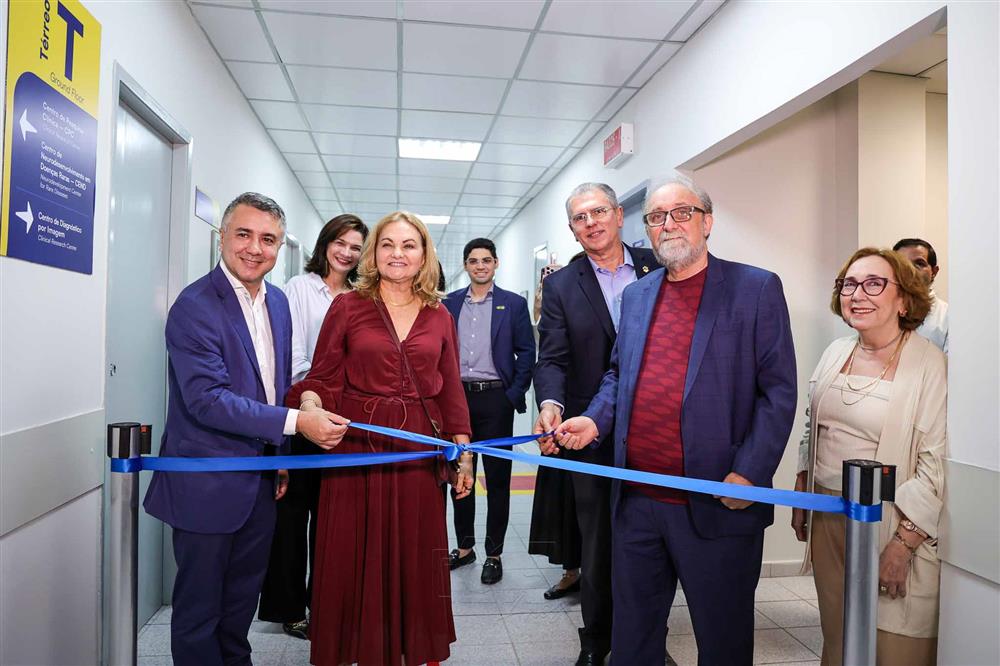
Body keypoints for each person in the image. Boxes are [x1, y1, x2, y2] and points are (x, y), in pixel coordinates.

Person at [556, 175, 798, 665]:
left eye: (681, 213)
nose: (668, 224)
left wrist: (750, 473)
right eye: (656, 217)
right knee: (634, 642)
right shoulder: (638, 296)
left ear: (707, 222)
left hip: (717, 498)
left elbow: (778, 392)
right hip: (638, 501)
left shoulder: (755, 288)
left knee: (723, 641)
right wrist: (595, 421)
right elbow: (619, 374)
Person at [143, 192, 348, 665]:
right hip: (207, 483)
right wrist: (298, 423)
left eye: (268, 239)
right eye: (244, 234)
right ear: (222, 237)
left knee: (238, 610)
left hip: (261, 483)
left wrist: (280, 462)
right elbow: (207, 400)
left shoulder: (278, 303)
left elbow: (274, 387)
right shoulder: (194, 305)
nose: (255, 248)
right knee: (199, 615)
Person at [286, 211, 474, 666]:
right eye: (387, 244)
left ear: (424, 255)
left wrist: (464, 453)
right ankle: (359, 649)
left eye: (409, 245)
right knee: (352, 553)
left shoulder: (440, 315)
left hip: (418, 451)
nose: (397, 254)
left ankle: (410, 649)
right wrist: (309, 405)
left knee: (414, 553)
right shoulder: (348, 307)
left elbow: (450, 388)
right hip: (358, 449)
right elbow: (323, 376)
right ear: (373, 253)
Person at [791, 247, 946, 666]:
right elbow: (812, 426)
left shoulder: (930, 365)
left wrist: (903, 544)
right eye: (849, 285)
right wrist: (803, 485)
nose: (857, 295)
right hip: (829, 514)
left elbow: (936, 465)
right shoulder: (836, 351)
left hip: (892, 520)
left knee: (893, 641)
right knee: (840, 635)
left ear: (904, 300)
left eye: (874, 284)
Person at [533, 182, 659, 666]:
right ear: (572, 229)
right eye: (580, 217)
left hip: (656, 430)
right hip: (589, 433)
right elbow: (553, 358)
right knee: (598, 543)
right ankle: (596, 640)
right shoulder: (562, 285)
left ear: (620, 215)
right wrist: (550, 403)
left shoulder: (658, 265)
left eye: (599, 212)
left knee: (651, 540)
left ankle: (644, 640)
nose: (592, 223)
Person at [258, 214, 368, 639]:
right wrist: (323, 392)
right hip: (303, 417)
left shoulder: (362, 296)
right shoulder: (298, 290)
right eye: (340, 243)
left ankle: (326, 604)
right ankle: (290, 610)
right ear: (325, 244)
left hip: (345, 426)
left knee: (333, 521)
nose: (347, 253)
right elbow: (294, 359)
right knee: (292, 518)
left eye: (356, 247)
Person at [443, 238, 536, 584]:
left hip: (496, 400)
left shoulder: (513, 304)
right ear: (465, 265)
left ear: (496, 263)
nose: (480, 266)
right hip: (458, 400)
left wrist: (512, 395)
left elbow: (527, 353)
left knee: (497, 480)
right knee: (460, 476)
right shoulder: (449, 304)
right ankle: (465, 548)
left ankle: (494, 554)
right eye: (473, 261)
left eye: (486, 260)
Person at [527, 261, 583, 600]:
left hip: (606, 413)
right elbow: (547, 354)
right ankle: (570, 571)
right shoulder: (555, 303)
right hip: (563, 413)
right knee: (565, 501)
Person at [892, 238, 948, 353]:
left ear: (934, 272)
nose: (909, 269)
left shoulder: (949, 317)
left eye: (919, 264)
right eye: (902, 264)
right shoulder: (877, 310)